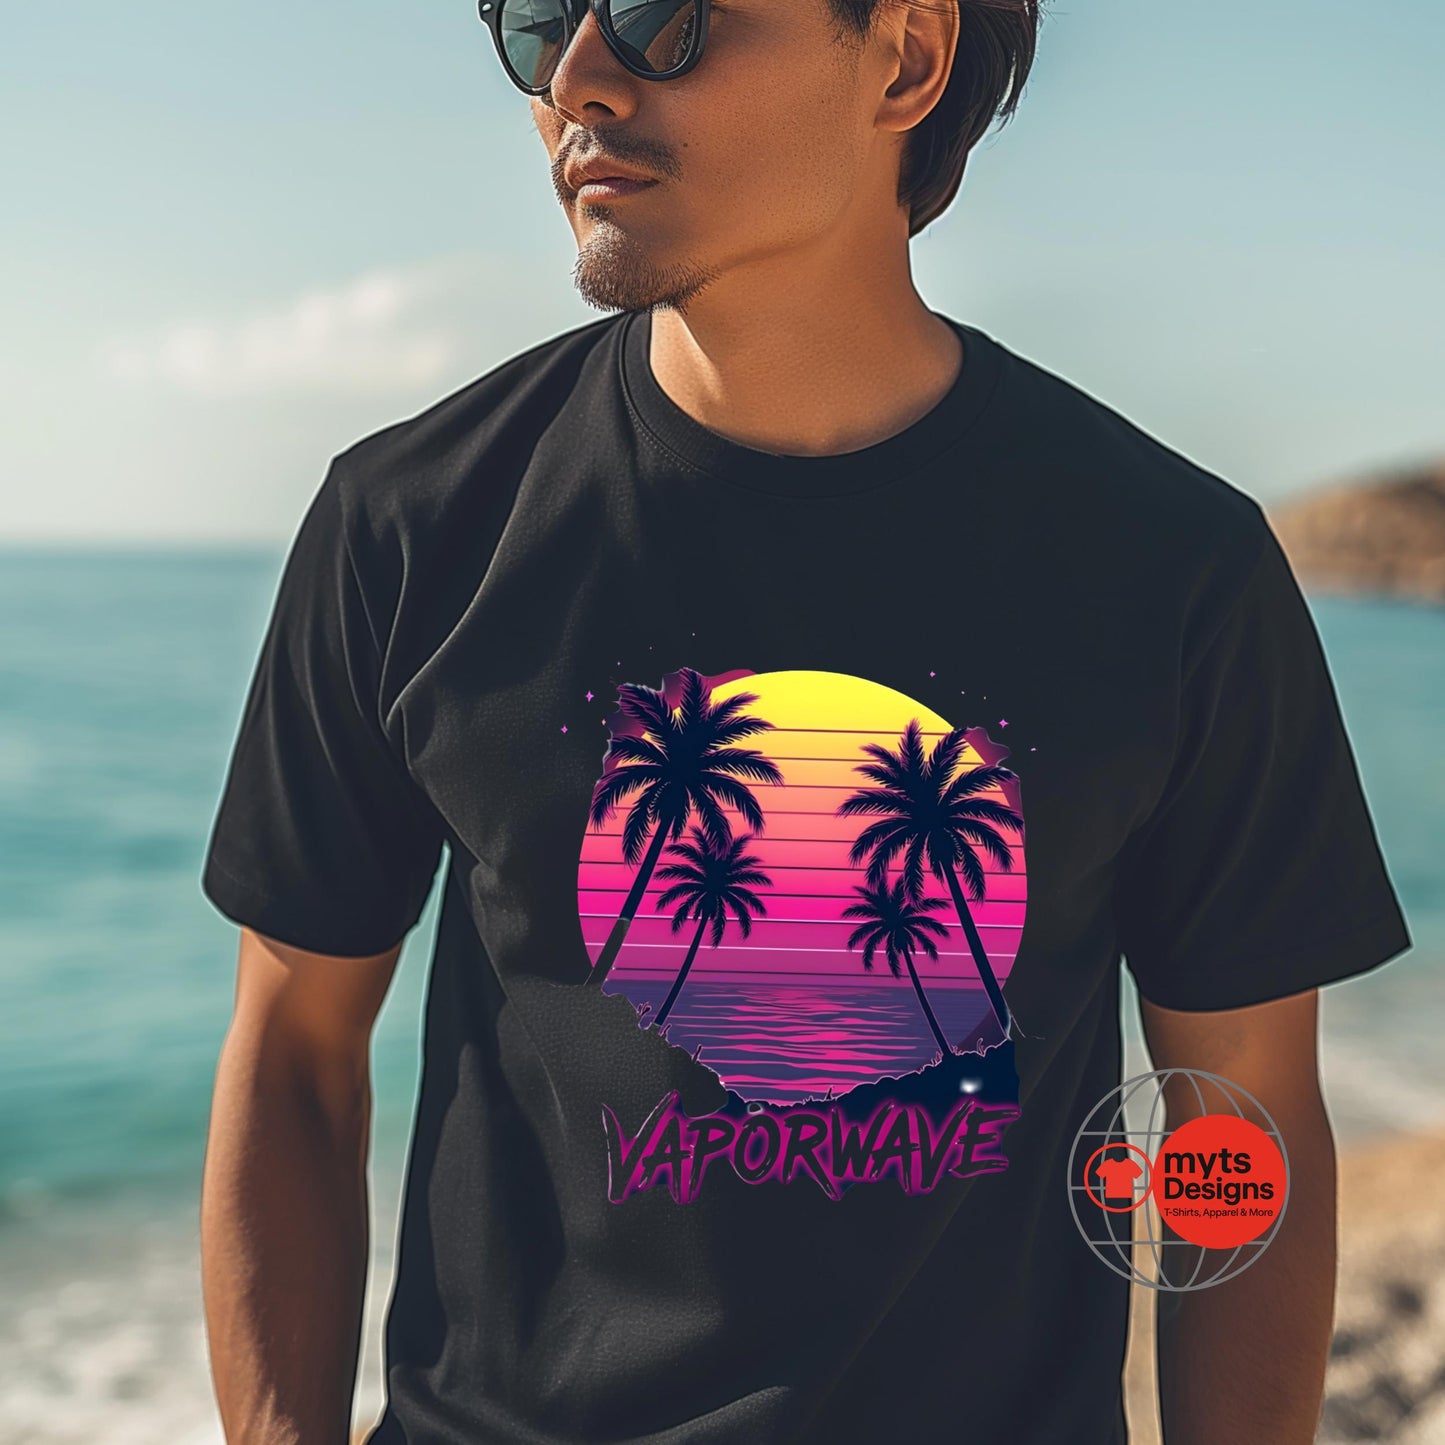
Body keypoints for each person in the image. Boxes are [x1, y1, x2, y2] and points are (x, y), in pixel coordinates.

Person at [197, 0, 1414, 1439]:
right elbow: (291, 1053)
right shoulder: (411, 526)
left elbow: (1234, 1118)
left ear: (904, 56)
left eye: (662, 18)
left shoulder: (1171, 569)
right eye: (535, 20)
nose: (576, 76)